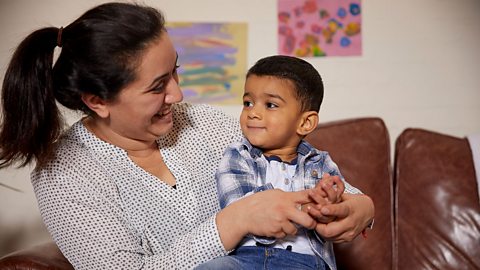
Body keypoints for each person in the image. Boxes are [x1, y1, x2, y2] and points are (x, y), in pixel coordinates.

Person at [0, 2, 374, 270]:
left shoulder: (205, 124)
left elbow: (297, 163)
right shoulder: (64, 177)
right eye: (158, 86)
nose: (178, 95)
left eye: (175, 73)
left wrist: (360, 208)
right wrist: (235, 221)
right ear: (97, 101)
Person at [197, 55, 361, 270]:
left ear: (305, 122)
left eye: (270, 105)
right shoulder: (239, 155)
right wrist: (308, 205)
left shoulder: (321, 164)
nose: (253, 113)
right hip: (246, 259)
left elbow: (334, 218)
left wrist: (329, 202)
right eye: (248, 102)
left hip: (306, 262)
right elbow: (243, 207)